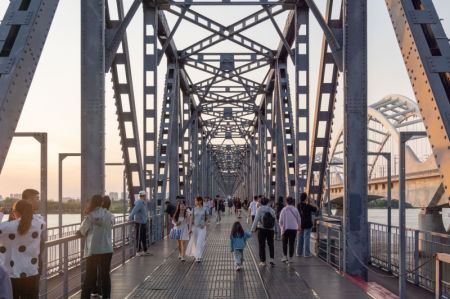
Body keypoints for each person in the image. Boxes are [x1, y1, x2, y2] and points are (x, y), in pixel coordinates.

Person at [0, 200, 45, 298]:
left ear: (15, 212)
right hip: (31, 271)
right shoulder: (39, 223)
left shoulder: (9, 227)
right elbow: (38, 218)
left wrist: (1, 213)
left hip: (11, 274)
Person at [78, 195, 114, 299]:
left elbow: (82, 231)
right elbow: (111, 224)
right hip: (107, 249)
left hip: (93, 251)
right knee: (105, 276)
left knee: (89, 277)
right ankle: (106, 296)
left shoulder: (90, 216)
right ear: (102, 203)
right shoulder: (109, 214)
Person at [251, 197, 276, 266]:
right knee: (271, 244)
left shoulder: (259, 209)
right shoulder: (272, 210)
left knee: (262, 245)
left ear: (261, 203)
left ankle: (263, 261)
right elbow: (275, 221)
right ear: (268, 202)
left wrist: (252, 229)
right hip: (271, 230)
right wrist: (276, 231)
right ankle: (271, 259)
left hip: (261, 229)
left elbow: (256, 219)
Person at [279, 197, 301, 264]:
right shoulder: (295, 209)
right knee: (292, 243)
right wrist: (299, 226)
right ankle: (291, 258)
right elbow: (299, 219)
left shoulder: (284, 209)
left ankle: (285, 257)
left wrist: (281, 227)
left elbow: (280, 220)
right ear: (292, 202)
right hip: (294, 229)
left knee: (284, 243)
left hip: (285, 229)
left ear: (286, 202)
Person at [186, 196, 208, 262]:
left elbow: (207, 218)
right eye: (195, 201)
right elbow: (191, 220)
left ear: (200, 201)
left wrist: (204, 224)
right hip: (195, 228)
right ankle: (197, 255)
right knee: (195, 242)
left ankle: (199, 256)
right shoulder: (194, 209)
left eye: (196, 200)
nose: (195, 202)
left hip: (202, 228)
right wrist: (190, 229)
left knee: (200, 241)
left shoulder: (205, 209)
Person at [297, 192, 318, 257]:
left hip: (300, 224)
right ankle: (306, 253)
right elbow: (317, 209)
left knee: (300, 238)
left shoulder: (298, 205)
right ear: (306, 198)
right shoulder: (308, 206)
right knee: (306, 239)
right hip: (308, 224)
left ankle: (299, 253)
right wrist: (312, 201)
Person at [129, 191, 150, 256]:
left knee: (143, 237)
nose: (146, 197)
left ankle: (144, 250)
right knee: (139, 237)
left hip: (143, 222)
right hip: (140, 222)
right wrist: (130, 217)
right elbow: (134, 210)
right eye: (145, 196)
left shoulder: (143, 203)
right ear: (143, 196)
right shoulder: (140, 202)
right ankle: (138, 252)